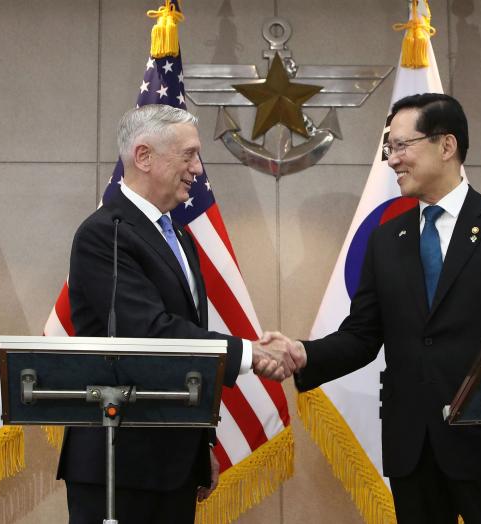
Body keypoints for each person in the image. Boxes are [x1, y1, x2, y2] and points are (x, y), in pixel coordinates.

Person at [274, 93, 481, 523]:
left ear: (446, 145)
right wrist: (305, 353)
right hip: (412, 450)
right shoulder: (386, 239)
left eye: (401, 146)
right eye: (389, 148)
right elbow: (363, 335)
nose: (392, 160)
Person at [58, 104, 303, 524]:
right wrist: (251, 355)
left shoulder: (180, 236)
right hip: (120, 463)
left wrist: (201, 443)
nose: (198, 168)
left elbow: (186, 341)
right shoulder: (105, 233)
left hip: (173, 461)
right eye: (188, 154)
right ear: (144, 156)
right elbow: (150, 333)